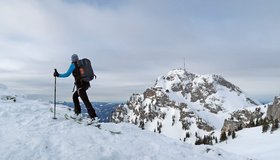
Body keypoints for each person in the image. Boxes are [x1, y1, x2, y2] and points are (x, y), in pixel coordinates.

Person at [53, 54, 98, 124]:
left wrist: (58, 75)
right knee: (75, 96)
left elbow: (67, 74)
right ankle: (78, 114)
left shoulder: (73, 65)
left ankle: (94, 117)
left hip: (80, 86)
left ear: (72, 59)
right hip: (86, 84)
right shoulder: (81, 64)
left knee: (86, 101)